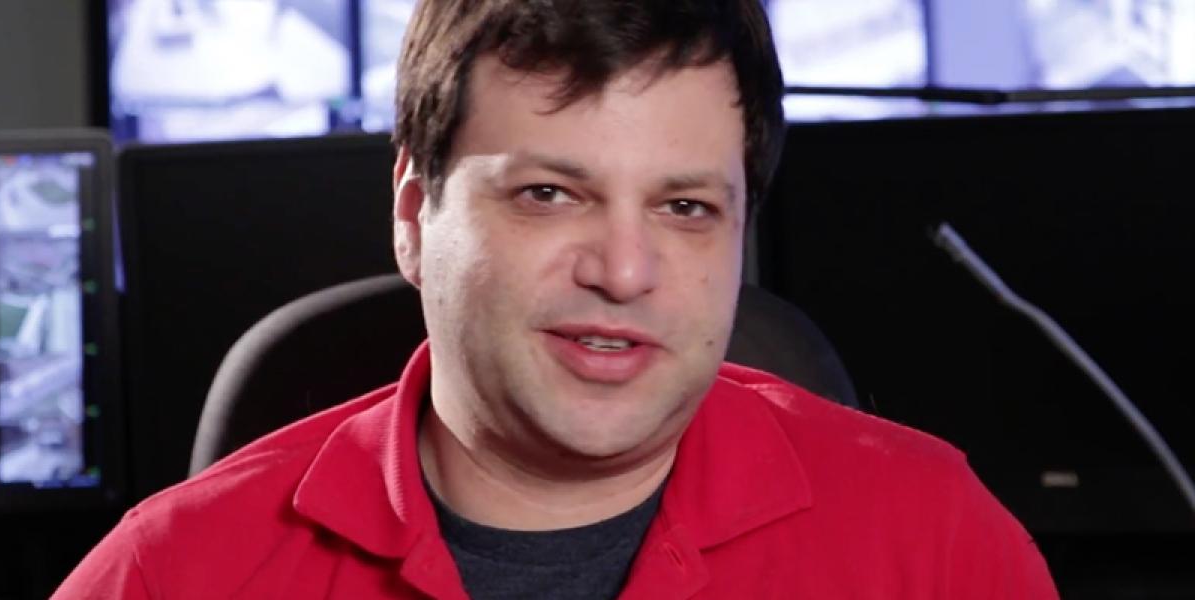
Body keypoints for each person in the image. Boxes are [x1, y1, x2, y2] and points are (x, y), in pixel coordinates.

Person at [56, 0, 1059, 598]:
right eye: (549, 194)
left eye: (685, 206)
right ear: (414, 213)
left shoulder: (934, 544)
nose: (624, 272)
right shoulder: (170, 574)